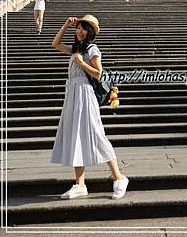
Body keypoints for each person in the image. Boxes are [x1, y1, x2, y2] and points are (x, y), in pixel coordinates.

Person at [51, 14, 129, 199]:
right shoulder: (75, 50)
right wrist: (66, 24)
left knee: (96, 133)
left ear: (90, 32)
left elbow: (98, 74)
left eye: (84, 28)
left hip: (85, 94)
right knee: (75, 136)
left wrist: (82, 63)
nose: (80, 31)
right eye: (78, 27)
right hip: (72, 94)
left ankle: (119, 177)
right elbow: (55, 43)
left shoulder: (92, 50)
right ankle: (80, 184)